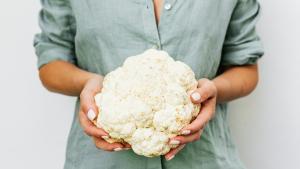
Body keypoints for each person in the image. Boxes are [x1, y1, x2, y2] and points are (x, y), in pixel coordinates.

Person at [34, 0, 264, 168]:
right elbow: (51, 61)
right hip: (99, 162)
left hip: (206, 160)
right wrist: (90, 83)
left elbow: (245, 67)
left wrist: (215, 90)